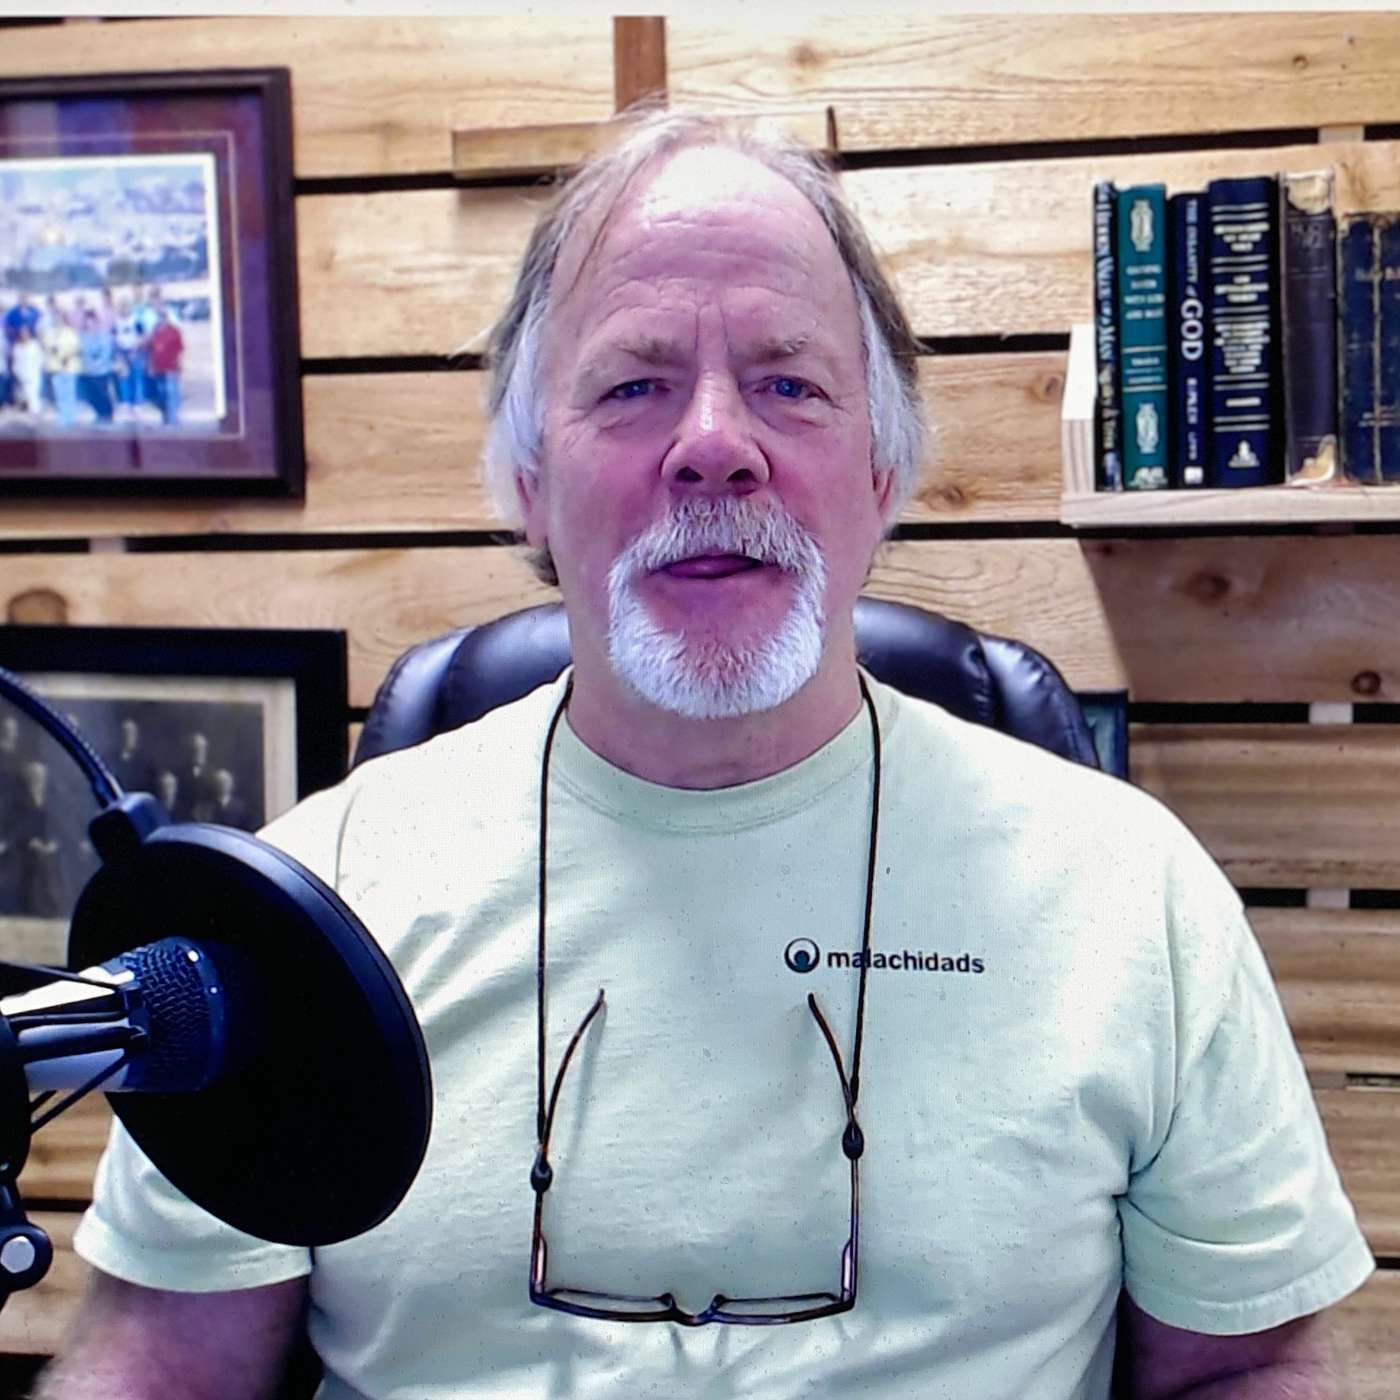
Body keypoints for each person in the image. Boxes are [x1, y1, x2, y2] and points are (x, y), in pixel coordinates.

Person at [41, 110, 1373, 1399]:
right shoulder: (309, 901)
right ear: (525, 484)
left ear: (883, 476)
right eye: (633, 386)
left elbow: (1247, 1363)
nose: (717, 447)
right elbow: (165, 1364)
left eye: (790, 384)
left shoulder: (1129, 891)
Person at [146, 306, 183, 426]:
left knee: (171, 392)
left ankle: (173, 418)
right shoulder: (155, 332)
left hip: (171, 366)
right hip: (158, 367)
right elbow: (150, 350)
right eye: (160, 317)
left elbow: (179, 349)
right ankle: (165, 416)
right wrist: (150, 366)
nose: (162, 319)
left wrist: (179, 364)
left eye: (163, 317)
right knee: (161, 393)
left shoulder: (174, 332)